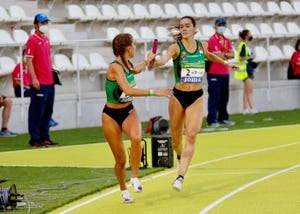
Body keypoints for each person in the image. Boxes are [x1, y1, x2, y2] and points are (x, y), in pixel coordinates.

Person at [151, 16, 238, 191]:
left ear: (194, 29)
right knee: (176, 140)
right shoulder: (176, 48)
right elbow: (162, 60)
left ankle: (180, 177)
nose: (183, 29)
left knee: (191, 135)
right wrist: (154, 59)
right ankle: (179, 157)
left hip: (196, 97)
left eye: (187, 26)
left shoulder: (201, 45)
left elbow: (210, 56)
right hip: (178, 97)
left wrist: (227, 63)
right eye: (181, 26)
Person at [102, 33, 171, 203]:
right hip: (110, 116)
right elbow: (129, 89)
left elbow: (136, 69)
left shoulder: (127, 63)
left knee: (136, 138)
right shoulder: (115, 67)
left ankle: (134, 177)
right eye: (134, 44)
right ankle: (123, 189)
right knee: (120, 161)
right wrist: (155, 92)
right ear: (128, 48)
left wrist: (148, 61)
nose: (136, 47)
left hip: (128, 110)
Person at [25, 13, 58, 147]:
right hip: (39, 82)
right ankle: (35, 138)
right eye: (42, 23)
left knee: (48, 110)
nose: (44, 25)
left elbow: (47, 58)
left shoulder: (46, 39)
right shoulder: (32, 40)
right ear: (35, 24)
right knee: (36, 111)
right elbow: (29, 60)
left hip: (49, 81)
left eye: (46, 23)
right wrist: (34, 79)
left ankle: (45, 137)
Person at [12, 49, 58, 127]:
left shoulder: (32, 67)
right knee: (40, 95)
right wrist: (27, 87)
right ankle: (47, 119)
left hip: (28, 88)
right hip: (20, 90)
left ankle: (46, 118)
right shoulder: (19, 67)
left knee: (42, 94)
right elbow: (17, 81)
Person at [206, 17, 236, 127]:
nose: (222, 27)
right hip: (214, 72)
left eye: (223, 25)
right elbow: (215, 55)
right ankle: (211, 120)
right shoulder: (213, 39)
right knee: (214, 97)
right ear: (215, 26)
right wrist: (226, 54)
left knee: (224, 97)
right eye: (220, 25)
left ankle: (223, 118)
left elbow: (233, 54)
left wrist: (224, 55)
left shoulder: (226, 39)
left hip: (224, 72)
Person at [236, 29, 258, 114]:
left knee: (246, 90)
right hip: (246, 70)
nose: (251, 35)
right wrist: (251, 57)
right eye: (250, 33)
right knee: (249, 90)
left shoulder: (245, 45)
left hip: (247, 69)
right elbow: (241, 58)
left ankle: (245, 109)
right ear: (246, 36)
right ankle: (251, 108)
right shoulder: (243, 45)